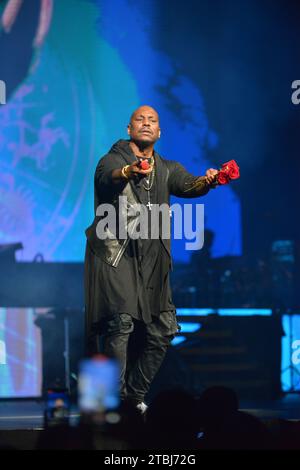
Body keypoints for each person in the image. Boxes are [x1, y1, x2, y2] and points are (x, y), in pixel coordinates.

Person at [84, 105, 219, 412]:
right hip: (115, 255)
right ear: (129, 128)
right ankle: (112, 403)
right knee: (120, 325)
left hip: (151, 260)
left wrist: (209, 181)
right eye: (140, 120)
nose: (146, 123)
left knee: (165, 327)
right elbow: (108, 178)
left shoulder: (166, 168)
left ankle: (132, 397)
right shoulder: (112, 159)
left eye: (152, 120)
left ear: (159, 132)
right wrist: (129, 171)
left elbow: (190, 184)